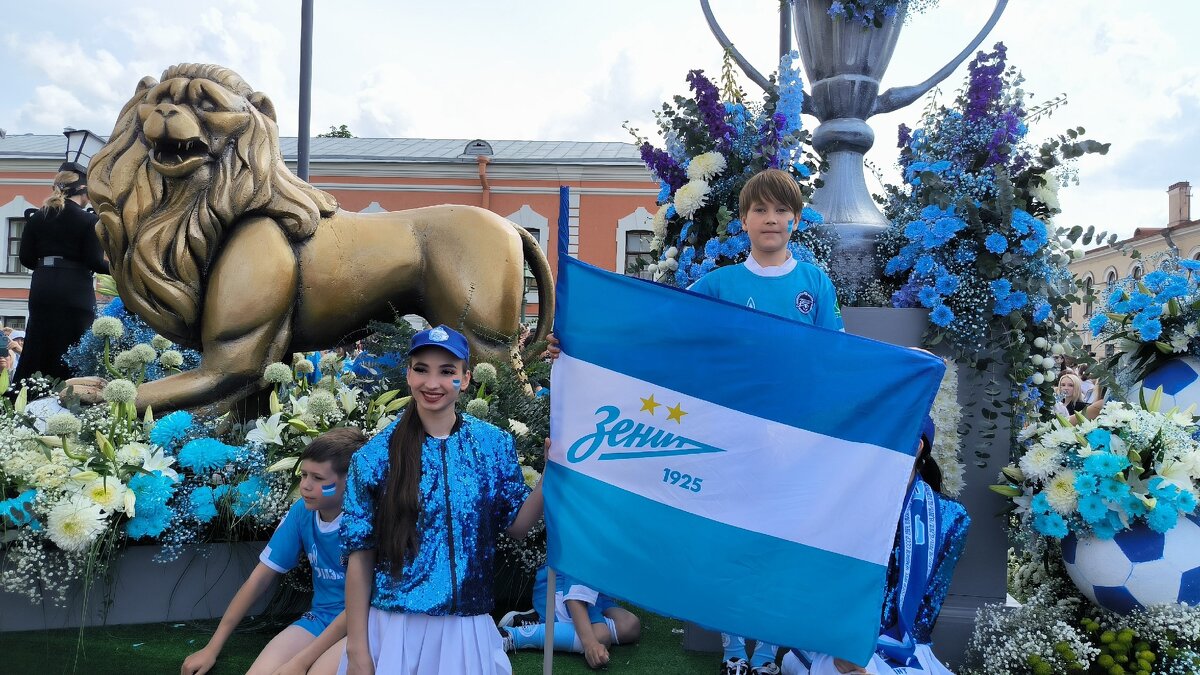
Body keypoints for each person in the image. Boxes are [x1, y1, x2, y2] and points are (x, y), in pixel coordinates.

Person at [697, 168, 842, 675]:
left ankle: (767, 650)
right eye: (760, 209)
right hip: (731, 438)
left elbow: (836, 357)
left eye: (781, 210)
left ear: (796, 221)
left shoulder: (814, 282)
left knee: (777, 541)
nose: (771, 219)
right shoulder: (717, 285)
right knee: (734, 540)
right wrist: (583, 339)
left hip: (793, 441)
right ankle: (734, 647)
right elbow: (664, 326)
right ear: (743, 221)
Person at [339, 324, 544, 675]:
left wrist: (552, 474)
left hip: (467, 629)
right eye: (421, 369)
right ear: (408, 374)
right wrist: (357, 648)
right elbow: (360, 555)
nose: (431, 383)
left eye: (447, 371)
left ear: (465, 379)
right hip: (395, 630)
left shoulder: (493, 444)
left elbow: (518, 526)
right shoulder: (374, 456)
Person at [781, 417, 970, 675]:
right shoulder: (842, 499)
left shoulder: (951, 517)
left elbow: (926, 612)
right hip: (835, 635)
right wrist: (844, 644)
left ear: (920, 446)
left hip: (904, 646)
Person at [181, 427, 368, 675]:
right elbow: (258, 580)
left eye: (319, 479)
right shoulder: (302, 512)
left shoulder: (366, 521)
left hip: (362, 626)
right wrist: (212, 647)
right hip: (320, 619)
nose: (306, 486)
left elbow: (361, 606)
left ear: (351, 481)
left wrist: (300, 662)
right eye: (304, 475)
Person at [13, 167, 109, 388]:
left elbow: (26, 258)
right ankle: (74, 395)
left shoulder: (37, 217)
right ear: (84, 191)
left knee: (38, 344)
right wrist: (120, 270)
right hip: (75, 289)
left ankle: (27, 397)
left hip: (42, 287)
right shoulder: (87, 220)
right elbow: (95, 261)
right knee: (76, 346)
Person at [497, 566, 641, 669]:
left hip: (595, 589)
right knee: (600, 636)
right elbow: (575, 597)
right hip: (558, 586)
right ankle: (511, 635)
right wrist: (590, 644)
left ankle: (549, 622)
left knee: (629, 626)